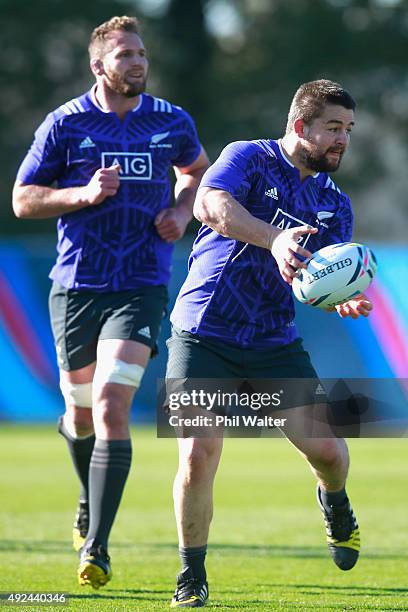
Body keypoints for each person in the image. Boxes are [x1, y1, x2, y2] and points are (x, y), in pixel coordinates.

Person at [12, 15, 209, 590]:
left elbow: (197, 173)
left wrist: (180, 210)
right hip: (75, 288)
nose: (138, 62)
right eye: (125, 55)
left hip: (141, 284)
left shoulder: (170, 120)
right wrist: (83, 193)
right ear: (99, 66)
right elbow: (23, 199)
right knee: (77, 414)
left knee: (111, 405)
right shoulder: (65, 124)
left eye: (141, 53)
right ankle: (86, 498)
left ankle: (96, 543)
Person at [166, 79, 372, 608]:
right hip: (203, 329)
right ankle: (191, 573)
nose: (342, 140)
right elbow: (208, 204)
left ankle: (335, 503)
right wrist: (274, 237)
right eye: (332, 128)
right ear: (300, 126)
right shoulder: (248, 158)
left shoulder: (335, 204)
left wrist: (337, 299)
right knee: (198, 451)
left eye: (347, 130)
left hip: (273, 342)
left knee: (329, 455)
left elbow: (312, 283)